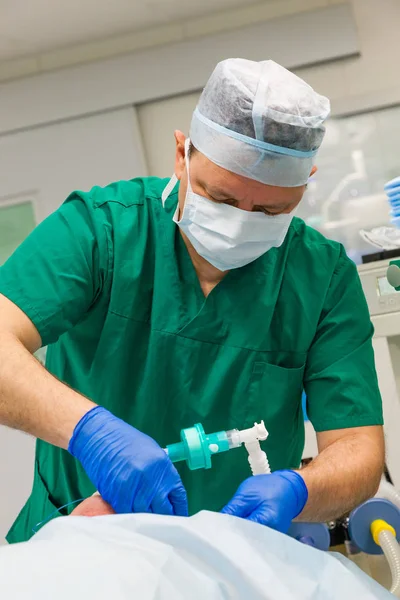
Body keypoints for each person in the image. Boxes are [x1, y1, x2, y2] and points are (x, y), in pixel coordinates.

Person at [0, 58, 384, 544]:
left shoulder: (321, 277)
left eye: (269, 211)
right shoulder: (101, 232)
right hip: (83, 546)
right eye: (220, 198)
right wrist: (90, 432)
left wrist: (300, 488)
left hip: (235, 561)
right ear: (182, 154)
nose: (241, 222)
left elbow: (357, 448)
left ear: (304, 185)